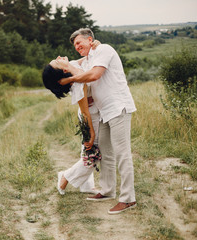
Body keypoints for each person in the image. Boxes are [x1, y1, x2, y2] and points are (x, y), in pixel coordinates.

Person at [58, 28, 137, 214]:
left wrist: (67, 79)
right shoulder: (88, 59)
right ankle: (108, 190)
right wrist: (63, 64)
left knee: (122, 154)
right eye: (75, 45)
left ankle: (128, 198)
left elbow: (94, 76)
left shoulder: (104, 50)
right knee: (107, 153)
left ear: (90, 39)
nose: (77, 47)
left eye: (80, 43)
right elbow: (74, 66)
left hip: (118, 107)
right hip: (104, 112)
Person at [42, 56, 100, 196]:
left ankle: (87, 185)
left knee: (87, 153)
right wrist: (90, 133)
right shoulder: (77, 85)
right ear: (61, 71)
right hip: (90, 117)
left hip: (97, 112)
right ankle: (66, 176)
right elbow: (86, 113)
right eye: (56, 62)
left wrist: (94, 45)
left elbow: (88, 56)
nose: (58, 58)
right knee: (92, 155)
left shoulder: (71, 66)